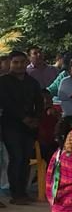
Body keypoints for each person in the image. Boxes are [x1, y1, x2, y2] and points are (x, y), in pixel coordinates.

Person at [0, 50, 44, 204]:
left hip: (29, 127)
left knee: (25, 159)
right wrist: (23, 118)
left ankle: (23, 192)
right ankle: (16, 194)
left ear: (26, 63)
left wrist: (36, 119)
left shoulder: (32, 82)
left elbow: (39, 102)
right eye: (15, 62)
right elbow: (6, 103)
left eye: (22, 62)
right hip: (11, 125)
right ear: (10, 63)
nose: (19, 65)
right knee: (16, 157)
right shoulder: (3, 82)